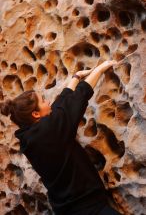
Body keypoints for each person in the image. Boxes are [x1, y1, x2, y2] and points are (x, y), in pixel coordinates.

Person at [0, 60, 122, 215]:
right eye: (43, 100)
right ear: (36, 114)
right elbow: (79, 96)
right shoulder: (50, 130)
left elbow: (60, 106)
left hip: (66, 209)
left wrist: (76, 77)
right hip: (90, 208)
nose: (48, 101)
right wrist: (101, 68)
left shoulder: (30, 137)